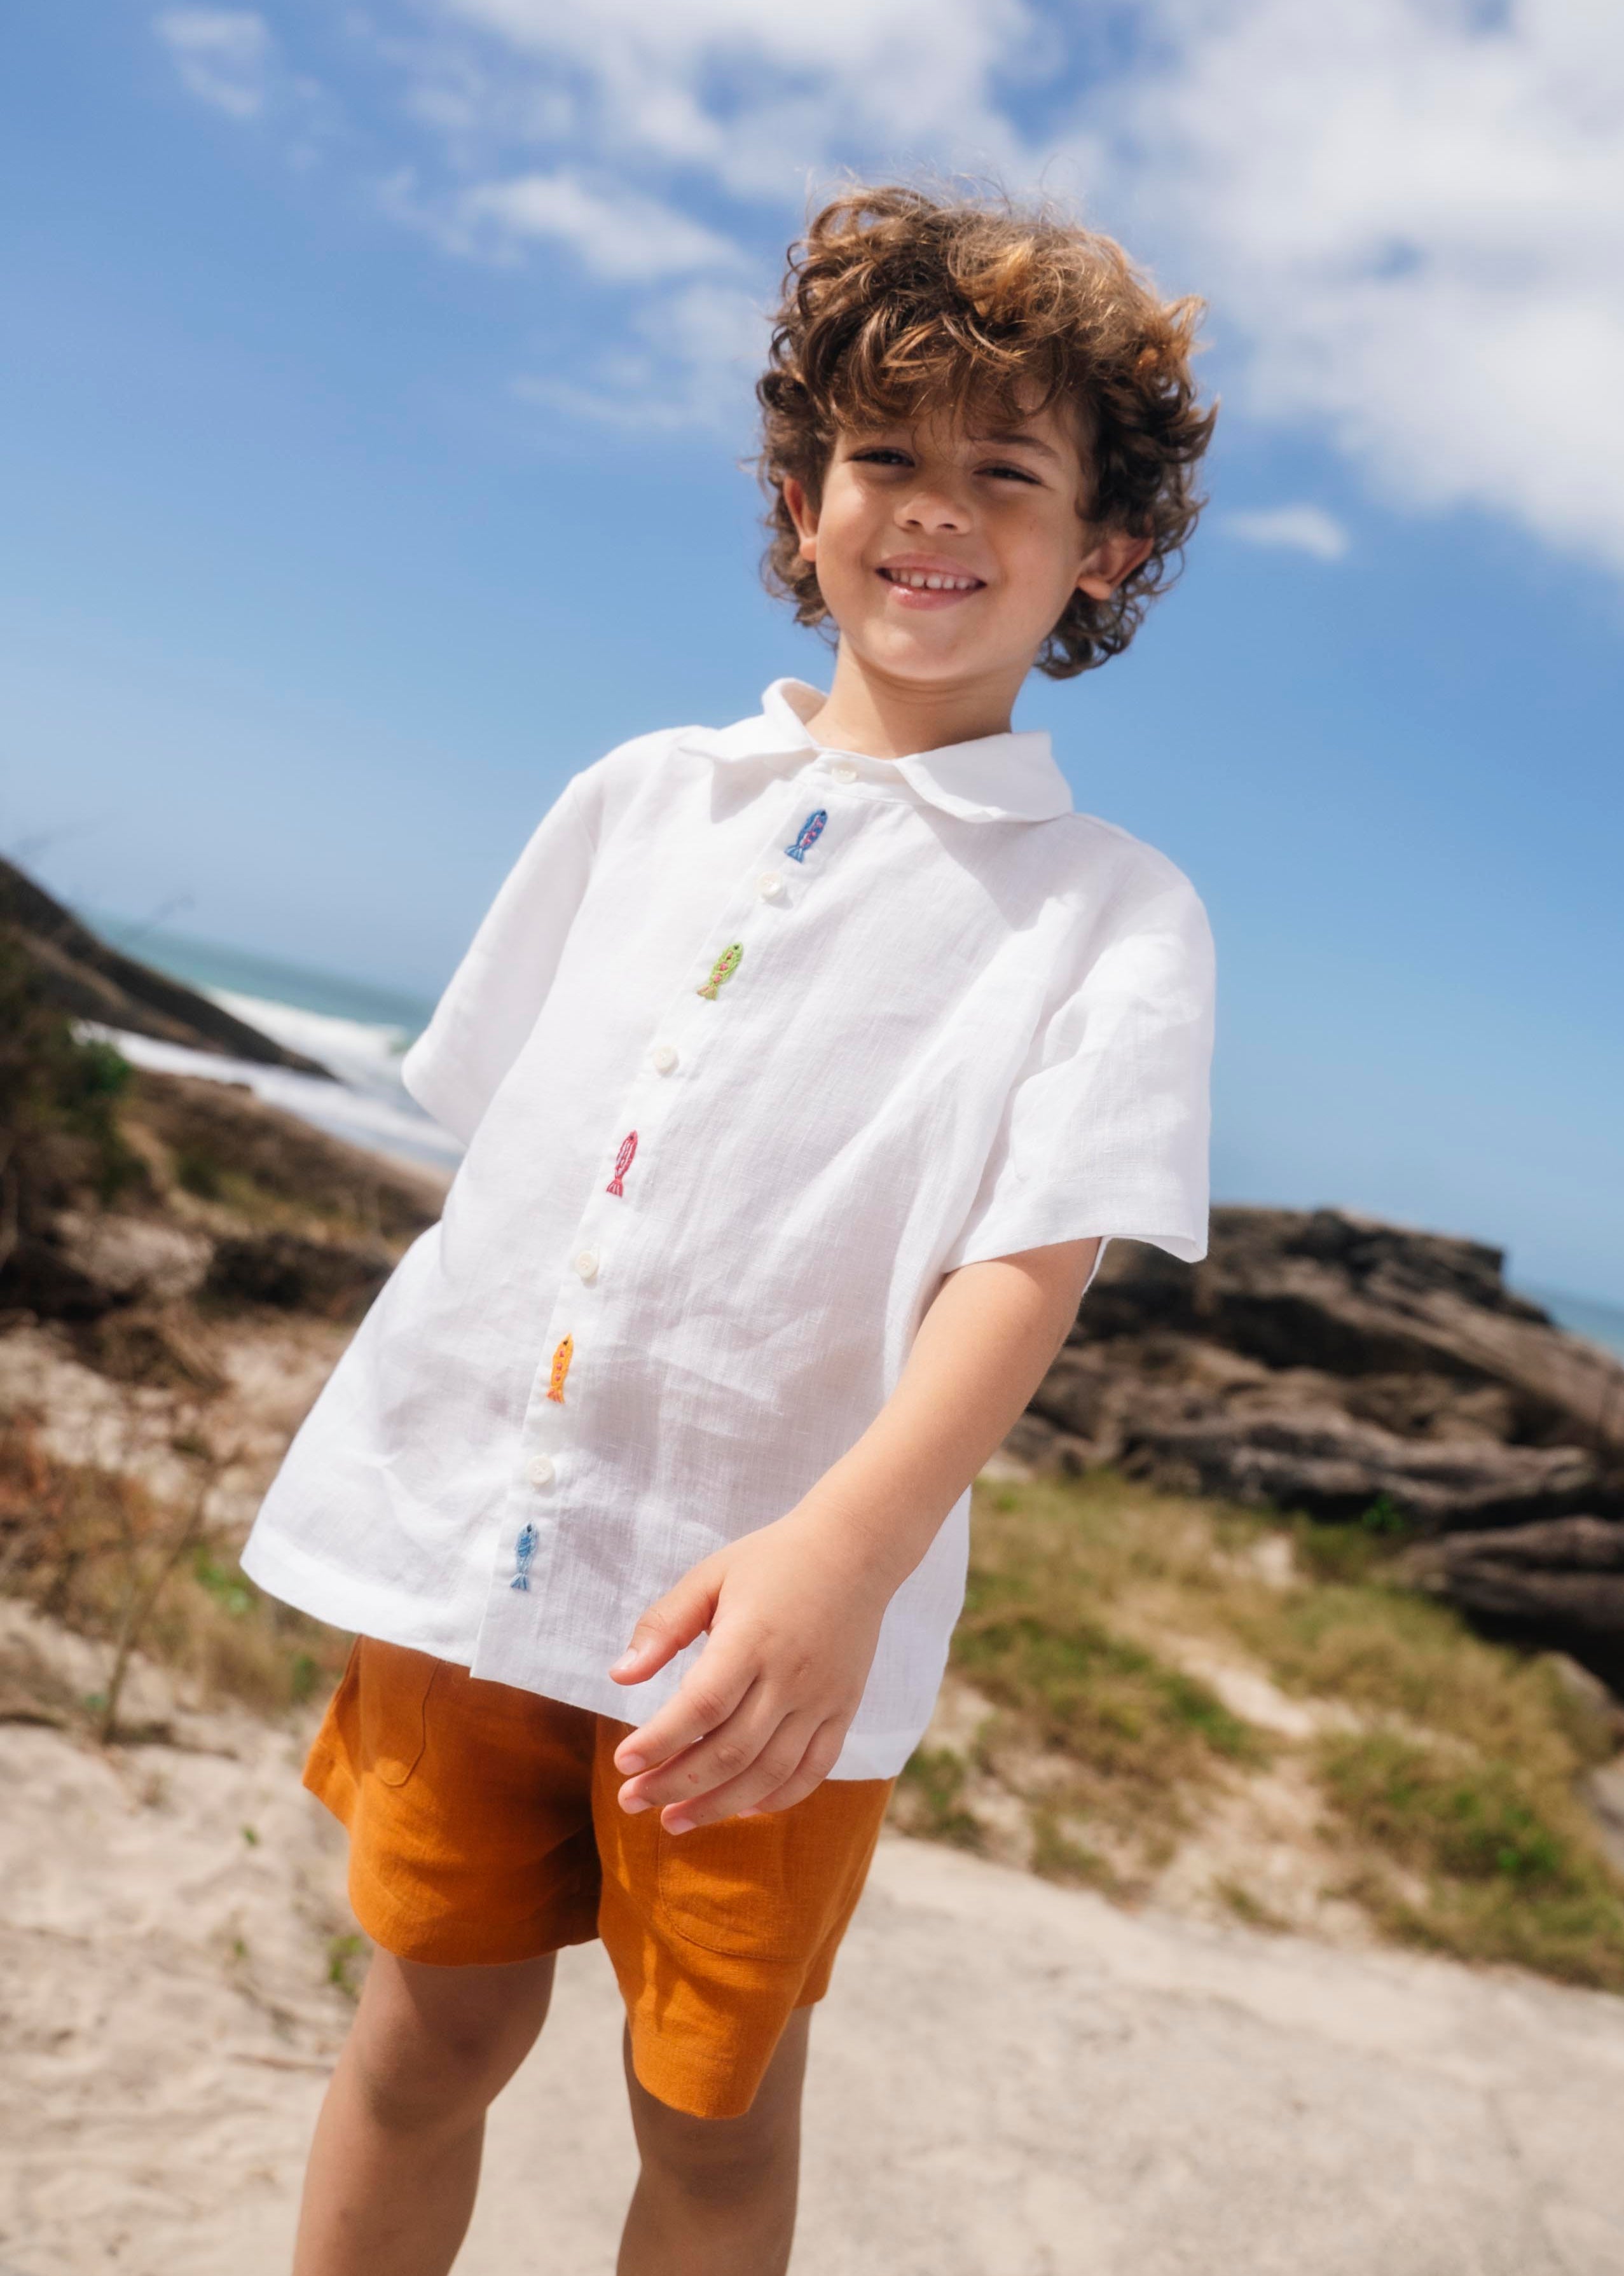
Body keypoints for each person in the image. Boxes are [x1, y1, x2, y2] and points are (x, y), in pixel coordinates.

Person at [240, 179, 1219, 2275]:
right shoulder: (636, 795)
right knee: (424, 2029)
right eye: (884, 453)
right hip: (470, 1552)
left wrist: (840, 1558)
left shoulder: (1112, 914)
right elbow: (525, 1152)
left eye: (1005, 470)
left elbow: (1025, 1266)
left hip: (767, 1632)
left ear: (1103, 547)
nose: (930, 509)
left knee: (708, 2116)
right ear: (803, 494)